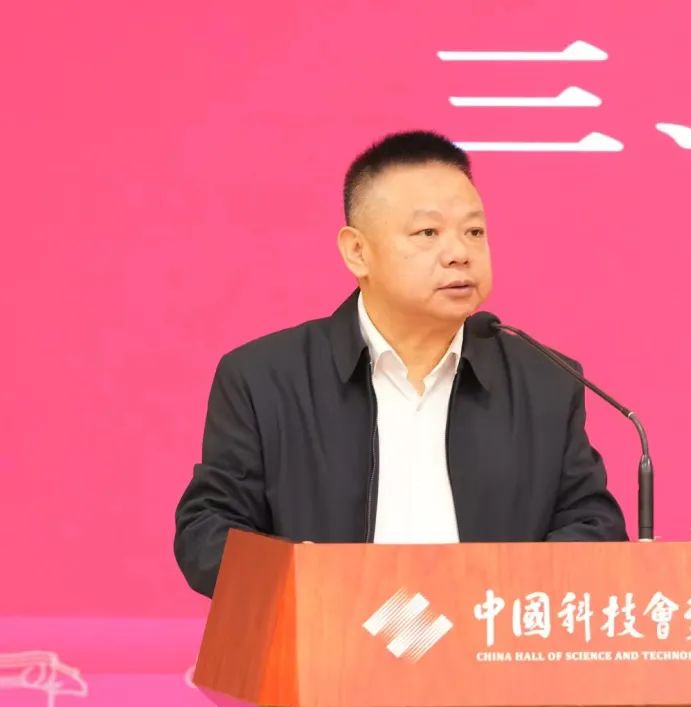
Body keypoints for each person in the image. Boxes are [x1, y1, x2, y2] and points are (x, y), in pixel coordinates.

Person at [174, 130, 628, 597]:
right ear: (357, 251)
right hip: (326, 634)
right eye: (428, 233)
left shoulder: (545, 380)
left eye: (474, 232)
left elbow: (592, 523)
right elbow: (207, 530)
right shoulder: (264, 379)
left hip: (491, 635)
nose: (459, 253)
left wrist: (504, 592)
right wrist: (302, 576)